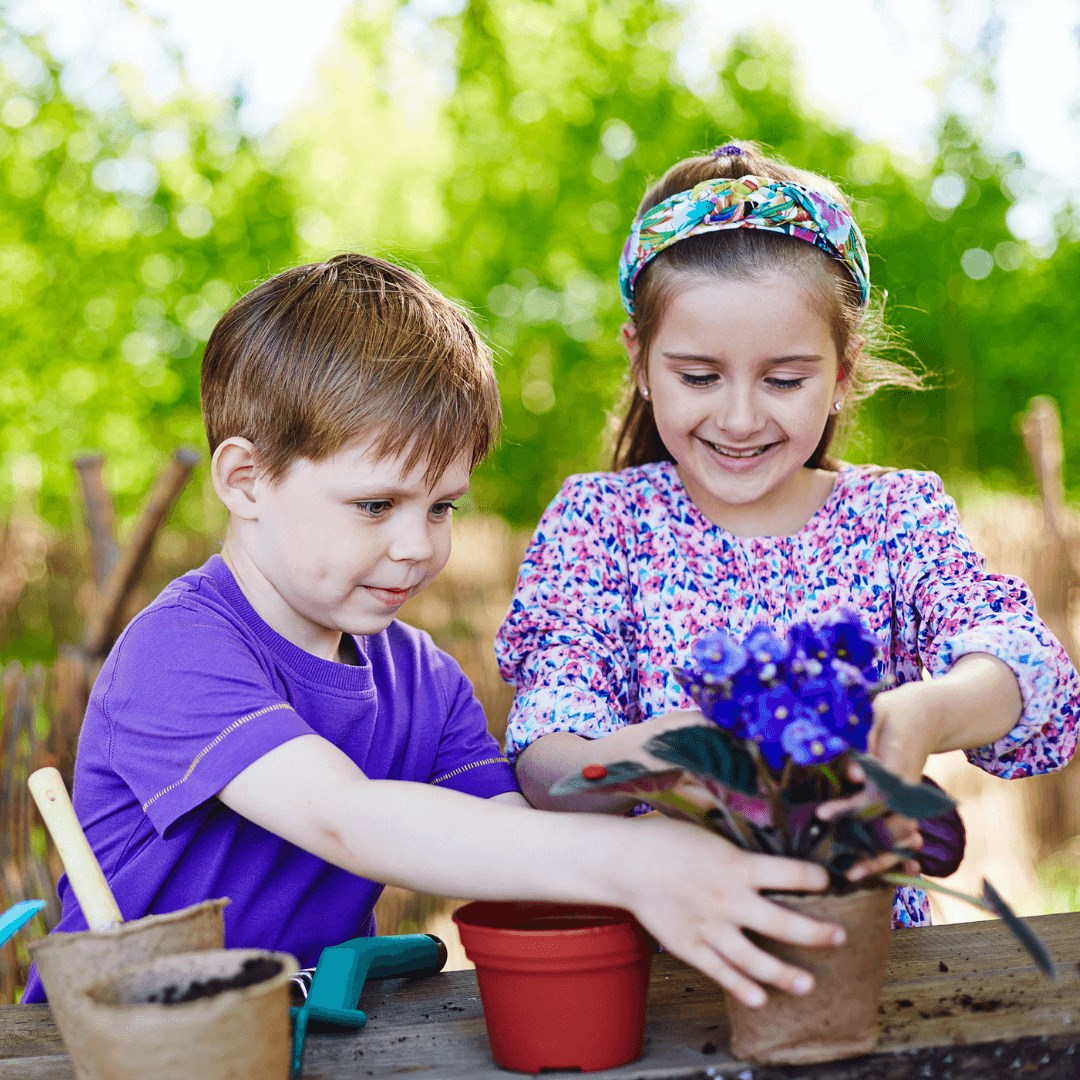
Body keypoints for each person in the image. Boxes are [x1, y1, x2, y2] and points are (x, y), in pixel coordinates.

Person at [23, 253, 845, 1010]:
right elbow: (348, 817)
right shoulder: (179, 652)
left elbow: (503, 839)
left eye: (442, 505)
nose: (418, 545)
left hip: (317, 1033)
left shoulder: (423, 678)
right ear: (246, 479)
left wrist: (678, 797)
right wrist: (639, 864)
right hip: (120, 1048)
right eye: (375, 505)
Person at [496, 142, 1080, 932]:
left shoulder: (893, 516)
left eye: (784, 379)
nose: (739, 419)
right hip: (664, 969)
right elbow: (546, 753)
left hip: (868, 962)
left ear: (842, 373)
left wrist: (920, 716)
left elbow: (1022, 664)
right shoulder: (601, 524)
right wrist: (660, 759)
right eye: (698, 376)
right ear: (639, 360)